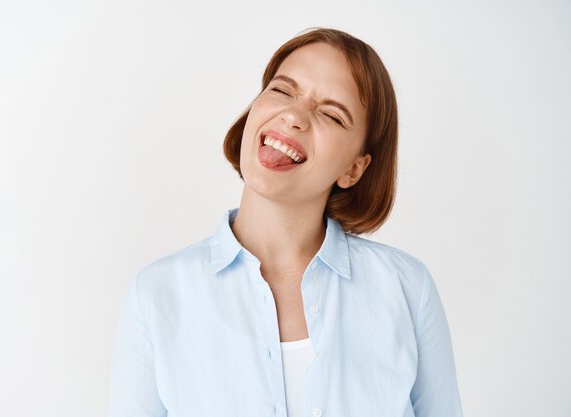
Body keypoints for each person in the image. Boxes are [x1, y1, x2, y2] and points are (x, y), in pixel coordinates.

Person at [108, 27, 463, 417]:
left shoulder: (407, 289)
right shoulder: (157, 295)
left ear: (354, 169)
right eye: (281, 90)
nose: (293, 115)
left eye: (331, 114)